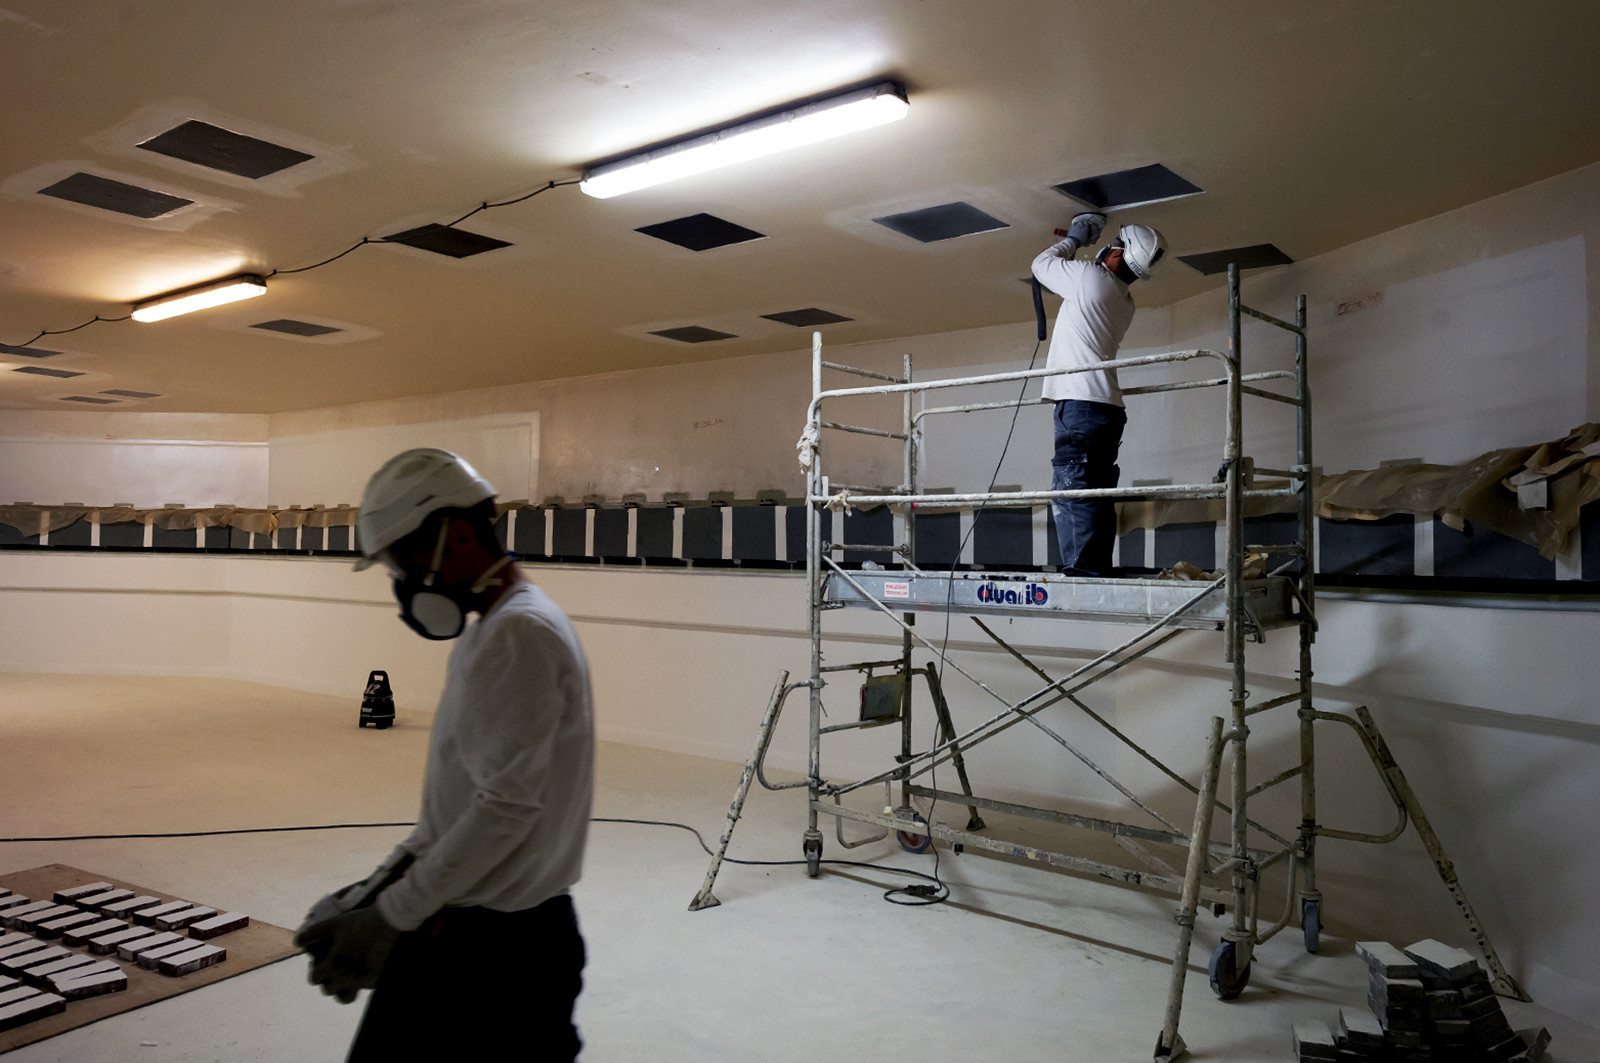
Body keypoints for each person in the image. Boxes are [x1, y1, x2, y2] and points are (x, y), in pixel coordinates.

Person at [294, 448, 594, 1062]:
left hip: (500, 953)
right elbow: (459, 801)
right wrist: (384, 883)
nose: (402, 586)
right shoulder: (493, 627)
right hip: (472, 927)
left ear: (457, 536)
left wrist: (391, 915)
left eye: (402, 564)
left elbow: (505, 808)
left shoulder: (520, 634)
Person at [1031, 215, 1167, 576]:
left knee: (1074, 489)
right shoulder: (1125, 300)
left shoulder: (1091, 278)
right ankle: (1094, 567)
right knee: (1097, 493)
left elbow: (1040, 265)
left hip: (1081, 405)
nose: (1107, 248)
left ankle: (1081, 572)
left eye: (1114, 246)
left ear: (1118, 256)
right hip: (1105, 408)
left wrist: (1074, 240)